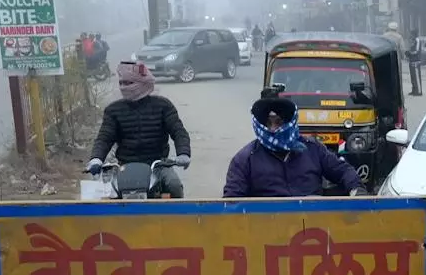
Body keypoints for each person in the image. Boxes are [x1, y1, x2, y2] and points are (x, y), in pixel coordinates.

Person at [224, 93, 361, 197]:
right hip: (266, 229)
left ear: (290, 123)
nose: (273, 129)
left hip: (313, 227)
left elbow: (343, 171)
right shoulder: (244, 160)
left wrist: (357, 190)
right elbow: (231, 202)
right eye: (268, 123)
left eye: (278, 122)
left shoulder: (313, 150)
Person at [88, 61, 192, 197]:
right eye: (121, 83)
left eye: (128, 83)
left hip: (158, 165)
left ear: (143, 83)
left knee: (174, 186)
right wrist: (96, 158)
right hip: (124, 166)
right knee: (104, 195)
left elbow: (178, 131)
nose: (123, 87)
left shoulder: (163, 106)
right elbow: (104, 138)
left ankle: (178, 218)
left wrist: (183, 153)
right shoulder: (113, 110)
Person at [406, 30, 424, 96]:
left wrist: (409, 53)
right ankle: (414, 90)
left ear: (414, 34)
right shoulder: (412, 40)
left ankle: (419, 92)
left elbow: (416, 51)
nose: (410, 35)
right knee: (413, 77)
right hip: (412, 61)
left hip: (416, 61)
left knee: (417, 77)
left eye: (411, 34)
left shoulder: (417, 40)